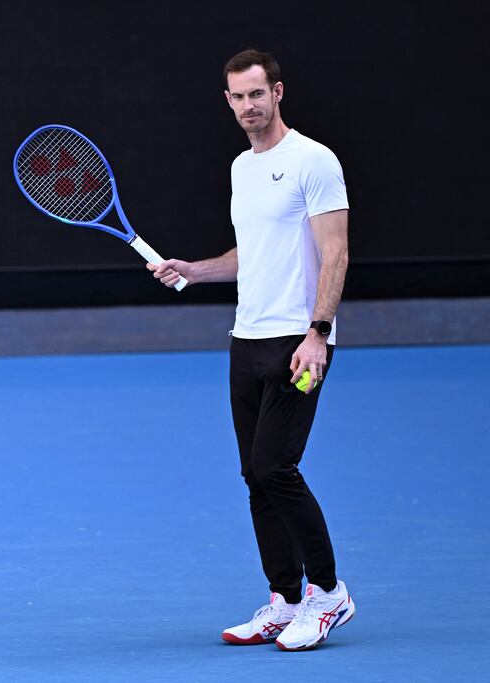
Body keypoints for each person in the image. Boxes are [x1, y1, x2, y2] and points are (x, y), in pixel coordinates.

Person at [148, 48, 354, 651]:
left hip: (298, 342)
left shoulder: (314, 161)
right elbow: (252, 256)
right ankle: (284, 601)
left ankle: (327, 594)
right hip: (247, 339)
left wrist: (318, 332)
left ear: (278, 92)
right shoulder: (241, 168)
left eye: (256, 94)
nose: (247, 107)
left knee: (276, 468)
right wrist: (196, 269)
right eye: (237, 97)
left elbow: (334, 251)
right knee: (254, 478)